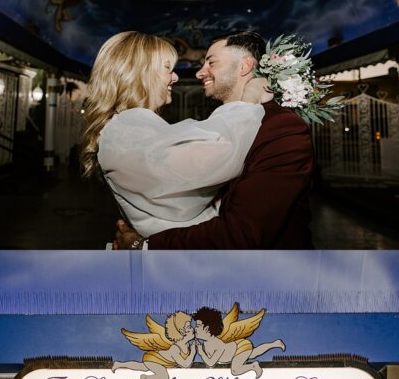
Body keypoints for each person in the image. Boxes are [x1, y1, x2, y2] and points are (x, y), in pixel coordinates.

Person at [115, 32, 315, 249]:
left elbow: (241, 233)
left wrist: (145, 246)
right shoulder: (219, 125)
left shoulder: (282, 128)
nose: (200, 73)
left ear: (244, 66)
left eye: (211, 62)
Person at [80, 31, 268, 242]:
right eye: (168, 69)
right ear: (141, 73)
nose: (176, 77)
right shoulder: (125, 131)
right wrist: (249, 99)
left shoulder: (132, 127)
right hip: (179, 257)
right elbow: (219, 154)